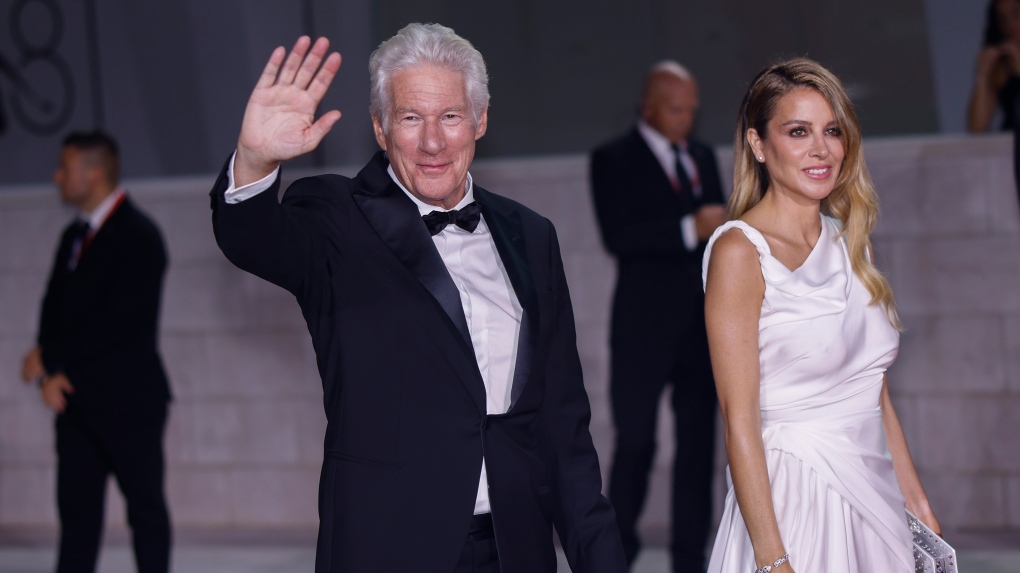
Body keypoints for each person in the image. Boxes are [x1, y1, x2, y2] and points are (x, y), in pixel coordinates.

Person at [209, 24, 627, 573]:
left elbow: (562, 429)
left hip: (515, 548)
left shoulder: (532, 234)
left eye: (450, 116)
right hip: (387, 548)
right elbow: (255, 240)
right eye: (411, 118)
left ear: (480, 120)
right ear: (381, 128)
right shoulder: (336, 217)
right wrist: (255, 161)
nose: (433, 142)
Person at [701, 58, 941, 572]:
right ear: (758, 144)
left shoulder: (853, 243)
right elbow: (737, 418)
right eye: (798, 131)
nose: (821, 149)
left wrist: (917, 506)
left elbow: (872, 390)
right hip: (793, 501)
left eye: (832, 131)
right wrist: (772, 559)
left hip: (874, 497)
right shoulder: (740, 252)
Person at [589, 61, 726, 570]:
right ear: (646, 107)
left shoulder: (704, 156)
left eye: (692, 109)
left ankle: (690, 556)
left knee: (698, 446)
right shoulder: (612, 159)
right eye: (675, 109)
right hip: (643, 328)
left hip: (700, 326)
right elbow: (619, 236)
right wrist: (691, 227)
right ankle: (616, 550)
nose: (686, 119)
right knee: (637, 443)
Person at [20, 131, 172, 573]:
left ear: (96, 173)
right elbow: (54, 305)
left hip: (129, 404)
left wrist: (48, 359)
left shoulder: (139, 236)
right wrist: (52, 373)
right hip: (74, 402)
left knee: (145, 514)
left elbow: (115, 322)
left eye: (65, 168)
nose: (57, 176)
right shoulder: (72, 235)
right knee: (77, 523)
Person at [968, 0, 1020, 132]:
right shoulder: (1002, 64)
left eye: (1016, 14)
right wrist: (982, 76)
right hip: (1011, 144)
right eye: (1002, 19)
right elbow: (977, 128)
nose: (1010, 25)